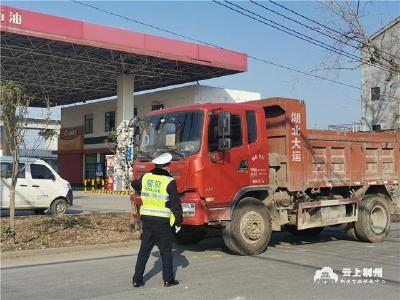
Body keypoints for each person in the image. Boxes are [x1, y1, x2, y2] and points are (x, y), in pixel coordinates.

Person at [131, 152, 183, 288]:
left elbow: (136, 185)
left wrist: (133, 182)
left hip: (147, 220)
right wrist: (178, 221)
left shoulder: (146, 177)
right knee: (166, 251)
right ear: (166, 167)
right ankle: (168, 280)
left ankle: (137, 279)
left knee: (144, 251)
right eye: (169, 166)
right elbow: (175, 204)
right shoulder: (169, 182)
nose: (170, 168)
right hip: (162, 222)